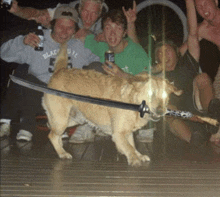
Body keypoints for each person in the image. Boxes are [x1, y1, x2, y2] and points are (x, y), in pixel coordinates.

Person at [0, 5, 100, 141]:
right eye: (60, 26)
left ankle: (69, 125)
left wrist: (93, 39)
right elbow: (4, 54)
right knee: (24, 74)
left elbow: (104, 60)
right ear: (52, 25)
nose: (64, 32)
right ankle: (26, 126)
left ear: (76, 29)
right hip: (37, 95)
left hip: (68, 98)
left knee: (94, 72)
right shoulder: (38, 39)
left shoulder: (80, 44)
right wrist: (22, 42)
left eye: (70, 28)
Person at [68, 9, 151, 143]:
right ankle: (88, 125)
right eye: (108, 28)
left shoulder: (136, 52)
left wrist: (122, 74)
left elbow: (147, 83)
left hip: (131, 102)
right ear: (102, 32)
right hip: (111, 101)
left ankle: (144, 125)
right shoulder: (101, 46)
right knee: (93, 68)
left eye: (118, 29)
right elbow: (78, 35)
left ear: (125, 32)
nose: (112, 33)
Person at [151, 0, 220, 156]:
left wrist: (189, 3)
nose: (164, 55)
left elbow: (193, 34)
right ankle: (197, 141)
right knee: (168, 112)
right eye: (159, 53)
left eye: (167, 51)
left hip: (200, 111)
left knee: (203, 77)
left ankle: (214, 120)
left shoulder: (187, 63)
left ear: (177, 52)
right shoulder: (156, 76)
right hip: (180, 118)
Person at [4, 0, 139, 43]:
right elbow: (38, 13)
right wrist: (17, 10)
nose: (88, 18)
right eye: (85, 11)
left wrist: (131, 24)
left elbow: (132, 47)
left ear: (100, 13)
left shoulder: (109, 22)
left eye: (93, 14)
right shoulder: (66, 11)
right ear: (79, 8)